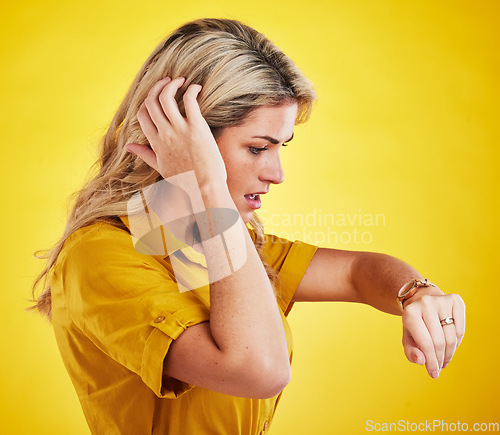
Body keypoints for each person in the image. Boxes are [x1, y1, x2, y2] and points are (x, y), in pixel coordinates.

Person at [31, 18, 465, 434]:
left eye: (280, 147)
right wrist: (205, 185)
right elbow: (261, 369)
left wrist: (415, 293)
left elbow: (357, 274)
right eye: (257, 148)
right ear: (181, 140)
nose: (276, 174)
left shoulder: (190, 228)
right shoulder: (99, 255)